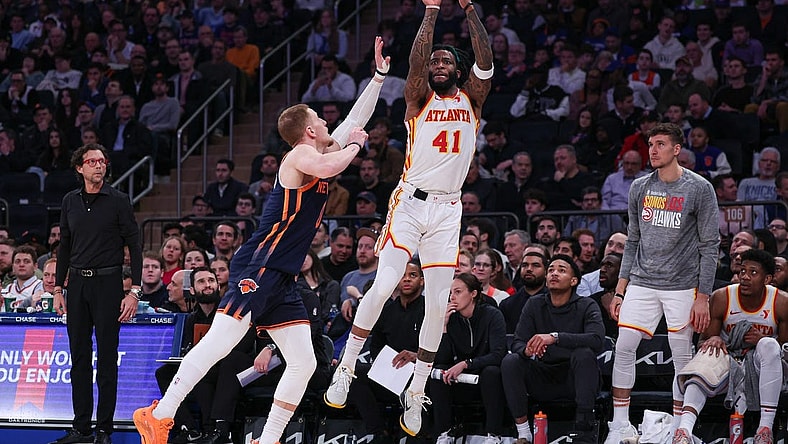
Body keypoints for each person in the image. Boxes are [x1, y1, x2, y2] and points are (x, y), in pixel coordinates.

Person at [134, 35, 390, 444]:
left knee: (303, 361)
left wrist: (377, 78)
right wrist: (357, 145)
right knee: (220, 342)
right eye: (322, 123)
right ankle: (158, 414)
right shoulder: (299, 157)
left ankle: (268, 439)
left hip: (282, 276)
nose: (330, 126)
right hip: (260, 264)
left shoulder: (317, 151)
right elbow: (336, 159)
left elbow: (352, 123)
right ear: (309, 129)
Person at [324, 0, 493, 436]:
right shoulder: (418, 97)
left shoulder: (473, 98)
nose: (437, 64)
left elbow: (486, 58)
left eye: (445, 61)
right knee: (382, 285)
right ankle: (345, 367)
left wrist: (470, 9)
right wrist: (433, 11)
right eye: (434, 59)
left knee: (438, 305)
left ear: (458, 70)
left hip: (448, 209)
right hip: (410, 203)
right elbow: (417, 61)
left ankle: (416, 391)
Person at [604, 123, 720, 444]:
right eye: (650, 144)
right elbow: (632, 241)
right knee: (624, 347)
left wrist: (703, 297)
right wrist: (620, 289)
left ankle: (681, 429)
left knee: (682, 357)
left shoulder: (699, 188)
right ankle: (620, 426)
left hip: (682, 286)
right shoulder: (639, 187)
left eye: (660, 144)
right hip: (641, 281)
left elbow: (710, 245)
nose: (652, 150)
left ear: (676, 149)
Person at [51, 144, 142, 444]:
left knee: (106, 358)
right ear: (80, 168)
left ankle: (104, 429)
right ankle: (81, 428)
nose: (98, 166)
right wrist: (57, 289)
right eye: (92, 162)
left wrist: (135, 292)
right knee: (78, 357)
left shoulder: (118, 200)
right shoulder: (69, 201)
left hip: (108, 284)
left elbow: (136, 247)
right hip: (76, 284)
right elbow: (64, 245)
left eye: (102, 161)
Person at [672, 249, 788, 444]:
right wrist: (714, 339)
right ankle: (683, 431)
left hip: (764, 368)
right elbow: (701, 342)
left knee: (768, 345)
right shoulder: (722, 297)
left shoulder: (781, 302)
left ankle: (764, 429)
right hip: (728, 360)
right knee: (707, 353)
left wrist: (761, 339)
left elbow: (785, 350)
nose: (744, 277)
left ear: (767, 279)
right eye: (742, 271)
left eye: (753, 272)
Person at [501, 254, 605, 444]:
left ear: (574, 281)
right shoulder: (534, 303)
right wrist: (528, 351)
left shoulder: (587, 305)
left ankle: (584, 429)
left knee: (584, 354)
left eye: (561, 270)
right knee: (511, 360)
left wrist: (555, 338)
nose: (554, 274)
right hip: (543, 375)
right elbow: (517, 342)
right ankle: (523, 432)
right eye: (551, 270)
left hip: (574, 378)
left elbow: (597, 340)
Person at [431, 272, 507, 442]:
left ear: (473, 294)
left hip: (485, 377)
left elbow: (498, 354)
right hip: (460, 380)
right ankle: (444, 434)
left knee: (491, 372)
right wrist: (443, 326)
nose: (452, 297)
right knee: (439, 372)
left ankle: (493, 435)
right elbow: (443, 359)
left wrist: (467, 363)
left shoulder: (492, 315)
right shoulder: (451, 319)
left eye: (458, 292)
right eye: (451, 293)